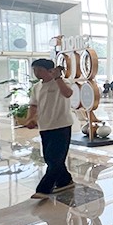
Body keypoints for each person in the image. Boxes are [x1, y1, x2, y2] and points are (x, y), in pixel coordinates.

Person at [25, 59, 76, 198]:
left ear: (50, 70)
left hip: (62, 125)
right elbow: (33, 105)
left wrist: (58, 78)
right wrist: (30, 118)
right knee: (50, 158)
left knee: (55, 159)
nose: (36, 73)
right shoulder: (37, 87)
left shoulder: (62, 82)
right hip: (45, 126)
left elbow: (68, 93)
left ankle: (44, 189)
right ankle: (65, 181)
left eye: (39, 70)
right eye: (34, 70)